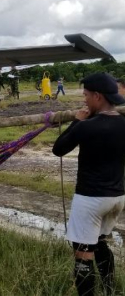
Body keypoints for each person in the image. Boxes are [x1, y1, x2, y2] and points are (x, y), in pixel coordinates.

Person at [52, 72, 125, 296]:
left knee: (83, 253)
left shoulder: (87, 126)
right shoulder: (123, 123)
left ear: (97, 96)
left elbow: (59, 149)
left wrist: (77, 121)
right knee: (100, 243)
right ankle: (110, 290)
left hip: (91, 199)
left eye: (85, 96)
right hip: (117, 197)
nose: (84, 100)